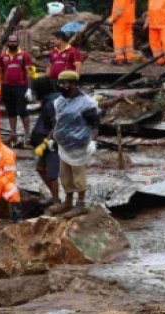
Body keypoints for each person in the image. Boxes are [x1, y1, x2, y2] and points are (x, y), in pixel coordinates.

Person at [50, 70, 99, 213]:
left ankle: (81, 204)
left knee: (78, 175)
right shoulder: (59, 101)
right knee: (65, 175)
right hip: (63, 145)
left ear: (74, 84)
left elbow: (95, 123)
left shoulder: (86, 103)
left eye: (65, 83)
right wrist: (52, 138)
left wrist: (93, 141)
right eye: (60, 83)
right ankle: (68, 202)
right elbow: (58, 122)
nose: (61, 86)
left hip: (79, 144)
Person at [29, 75, 61, 207]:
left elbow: (57, 125)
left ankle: (56, 201)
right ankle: (55, 197)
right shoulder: (47, 102)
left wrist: (47, 142)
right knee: (40, 168)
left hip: (52, 144)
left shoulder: (52, 104)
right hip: (44, 143)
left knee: (52, 173)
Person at [0, 34, 32, 147]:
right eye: (10, 41)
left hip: (21, 86)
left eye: (14, 41)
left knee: (23, 111)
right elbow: (0, 72)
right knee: (11, 111)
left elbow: (29, 72)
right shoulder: (2, 55)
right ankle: (13, 134)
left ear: (18, 42)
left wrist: (29, 89)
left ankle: (27, 135)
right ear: (7, 42)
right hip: (6, 86)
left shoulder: (24, 54)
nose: (12, 43)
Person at [145, 0, 165, 66]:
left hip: (164, 25)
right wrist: (146, 23)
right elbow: (149, 11)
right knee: (154, 44)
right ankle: (159, 61)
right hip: (152, 25)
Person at [108, 0, 136, 65]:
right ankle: (129, 57)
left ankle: (119, 58)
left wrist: (112, 19)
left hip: (120, 19)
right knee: (128, 38)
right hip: (129, 17)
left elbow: (119, 9)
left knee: (118, 38)